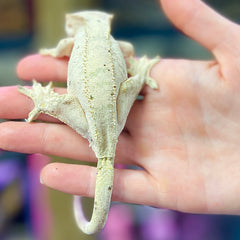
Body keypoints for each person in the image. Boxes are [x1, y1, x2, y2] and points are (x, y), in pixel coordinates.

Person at [1, 0, 240, 215]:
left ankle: (44, 101)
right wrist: (138, 70)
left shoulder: (73, 41)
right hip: (111, 118)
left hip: (96, 121)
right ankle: (139, 76)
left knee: (65, 103)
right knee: (129, 86)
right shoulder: (116, 43)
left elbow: (63, 46)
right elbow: (128, 51)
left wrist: (56, 52)